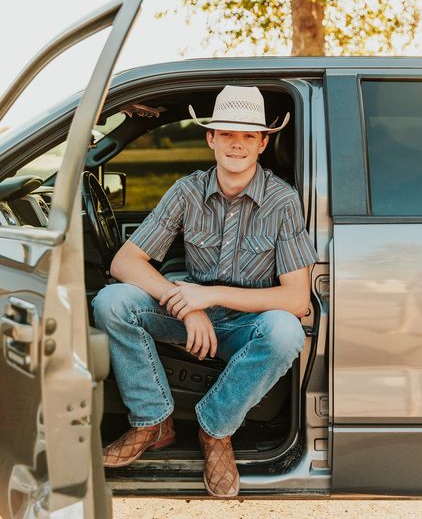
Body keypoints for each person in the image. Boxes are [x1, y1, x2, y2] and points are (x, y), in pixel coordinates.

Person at [92, 85, 318, 498]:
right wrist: (186, 306)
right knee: (111, 301)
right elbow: (124, 262)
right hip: (189, 317)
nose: (237, 143)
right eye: (227, 133)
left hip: (249, 326)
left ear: (263, 143)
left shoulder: (282, 201)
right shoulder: (186, 191)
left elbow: (296, 300)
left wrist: (208, 295)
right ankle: (152, 420)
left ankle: (215, 430)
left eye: (249, 135)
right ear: (210, 137)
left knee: (286, 331)